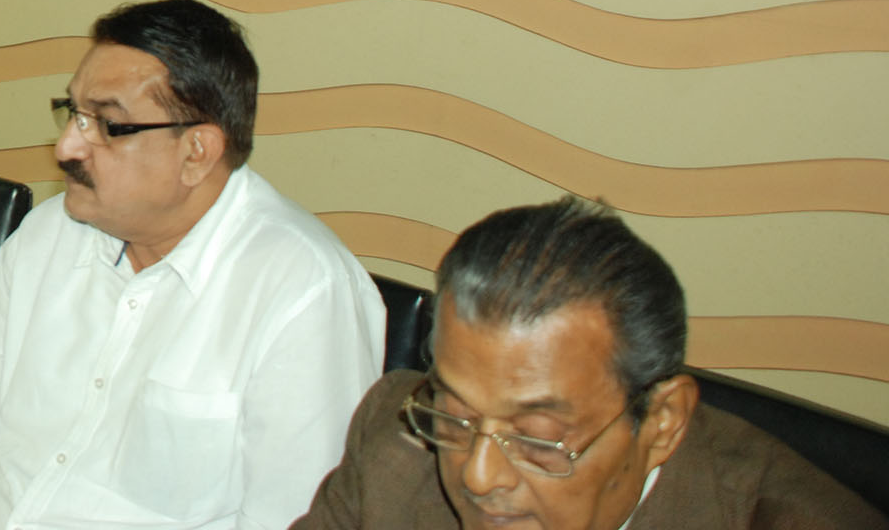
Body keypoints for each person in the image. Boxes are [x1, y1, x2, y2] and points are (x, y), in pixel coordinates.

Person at [0, 0, 383, 530]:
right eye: (73, 113)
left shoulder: (303, 294)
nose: (67, 147)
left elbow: (297, 519)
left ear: (197, 152)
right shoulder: (51, 234)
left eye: (107, 124)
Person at [292, 197, 888, 530]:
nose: (478, 476)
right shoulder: (398, 446)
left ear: (662, 423)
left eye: (537, 438)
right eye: (456, 415)